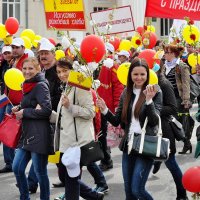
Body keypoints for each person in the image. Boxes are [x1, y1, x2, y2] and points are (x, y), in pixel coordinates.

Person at [97, 57, 162, 200]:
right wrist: (105, 110)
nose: (139, 78)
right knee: (129, 191)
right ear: (130, 75)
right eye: (135, 74)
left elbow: (154, 120)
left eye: (142, 74)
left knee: (137, 189)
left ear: (147, 75)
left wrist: (149, 100)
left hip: (146, 145)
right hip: (129, 145)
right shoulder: (126, 92)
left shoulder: (155, 91)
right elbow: (117, 121)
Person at [53, 58, 104, 200]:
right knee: (65, 176)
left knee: (71, 180)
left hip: (77, 143)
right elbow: (64, 116)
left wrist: (70, 106)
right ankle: (93, 196)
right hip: (65, 143)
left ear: (73, 71)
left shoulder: (80, 86)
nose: (62, 74)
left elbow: (90, 112)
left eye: (65, 71)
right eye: (59, 72)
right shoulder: (66, 86)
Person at [12, 57, 52, 200]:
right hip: (27, 133)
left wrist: (25, 112)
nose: (27, 71)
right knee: (17, 167)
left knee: (40, 172)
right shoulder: (27, 84)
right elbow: (32, 104)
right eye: (25, 68)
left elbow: (46, 110)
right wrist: (20, 107)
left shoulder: (40, 85)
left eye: (31, 69)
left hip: (39, 134)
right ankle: (25, 197)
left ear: (37, 69)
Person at [27, 40, 63, 192]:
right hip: (45, 117)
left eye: (46, 53)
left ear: (53, 55)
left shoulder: (58, 72)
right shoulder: (42, 72)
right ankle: (32, 183)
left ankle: (97, 182)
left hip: (57, 117)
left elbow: (59, 96)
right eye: (41, 53)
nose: (43, 56)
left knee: (56, 153)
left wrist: (44, 103)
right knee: (43, 152)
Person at [152, 65, 188, 200]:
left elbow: (172, 108)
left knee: (171, 163)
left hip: (164, 131)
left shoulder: (164, 83)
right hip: (151, 130)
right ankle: (157, 160)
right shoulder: (146, 83)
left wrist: (152, 110)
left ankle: (182, 194)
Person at [0, 39, 28, 173]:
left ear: (23, 48)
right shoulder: (13, 61)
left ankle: (16, 164)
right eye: (13, 47)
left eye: (17, 47)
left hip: (20, 104)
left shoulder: (26, 62)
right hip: (9, 102)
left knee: (19, 136)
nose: (14, 50)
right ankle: (10, 162)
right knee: (7, 132)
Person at [97, 43, 124, 171]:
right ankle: (105, 158)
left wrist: (117, 106)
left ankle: (106, 159)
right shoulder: (90, 65)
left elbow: (118, 87)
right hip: (94, 106)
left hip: (106, 108)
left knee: (104, 135)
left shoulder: (113, 67)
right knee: (99, 134)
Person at [163, 44, 194, 154]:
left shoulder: (181, 66)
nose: (164, 54)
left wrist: (186, 100)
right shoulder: (165, 66)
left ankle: (183, 142)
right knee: (174, 122)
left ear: (172, 54)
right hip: (167, 98)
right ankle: (186, 143)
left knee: (176, 121)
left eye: (166, 52)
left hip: (178, 97)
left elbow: (186, 84)